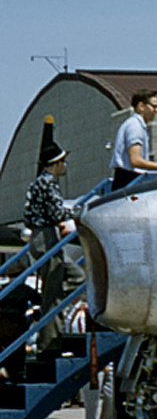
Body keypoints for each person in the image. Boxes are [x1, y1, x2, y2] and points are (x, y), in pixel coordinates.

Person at [24, 144, 85, 352]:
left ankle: (53, 331)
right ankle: (48, 344)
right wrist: (79, 213)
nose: (64, 165)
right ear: (56, 164)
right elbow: (57, 213)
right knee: (52, 294)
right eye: (62, 161)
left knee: (77, 277)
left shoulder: (37, 183)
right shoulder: (49, 184)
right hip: (46, 238)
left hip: (41, 236)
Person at [111, 89, 157, 191]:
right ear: (141, 106)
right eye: (153, 106)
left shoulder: (138, 125)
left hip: (130, 179)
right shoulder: (135, 126)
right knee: (133, 203)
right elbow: (135, 160)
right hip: (128, 181)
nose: (155, 110)